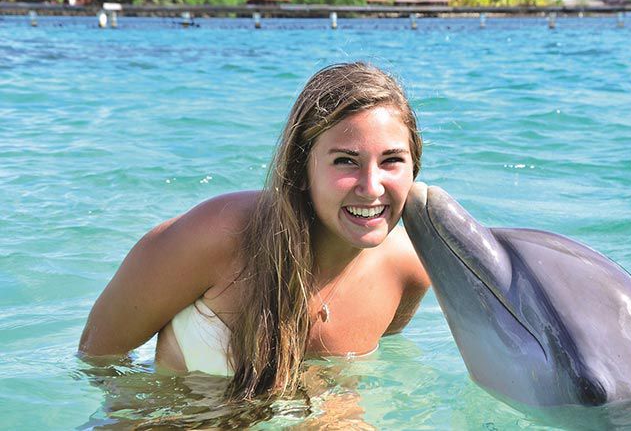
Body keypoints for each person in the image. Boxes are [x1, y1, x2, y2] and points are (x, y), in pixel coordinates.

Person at [79, 62, 430, 400]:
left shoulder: (408, 270)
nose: (371, 187)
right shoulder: (220, 233)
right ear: (301, 168)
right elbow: (97, 359)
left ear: (414, 165)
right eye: (345, 161)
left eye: (391, 160)